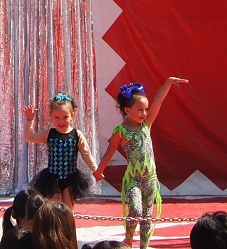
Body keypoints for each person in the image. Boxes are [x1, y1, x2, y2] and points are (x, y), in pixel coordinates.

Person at [94, 77, 188, 249]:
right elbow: (110, 152)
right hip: (134, 180)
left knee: (147, 216)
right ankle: (128, 239)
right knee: (135, 210)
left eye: (145, 109)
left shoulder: (146, 125)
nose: (144, 113)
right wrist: (99, 171)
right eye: (140, 110)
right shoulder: (121, 131)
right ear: (127, 110)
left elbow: (158, 101)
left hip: (150, 179)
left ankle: (144, 246)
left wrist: (167, 82)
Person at [23, 93, 98, 207]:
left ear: (72, 115)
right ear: (51, 115)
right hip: (53, 178)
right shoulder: (50, 134)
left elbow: (86, 154)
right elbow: (29, 137)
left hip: (70, 177)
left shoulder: (77, 135)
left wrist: (96, 170)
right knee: (54, 207)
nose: (61, 121)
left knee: (68, 208)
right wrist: (30, 120)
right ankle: (53, 225)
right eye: (56, 117)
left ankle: (67, 224)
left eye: (65, 117)